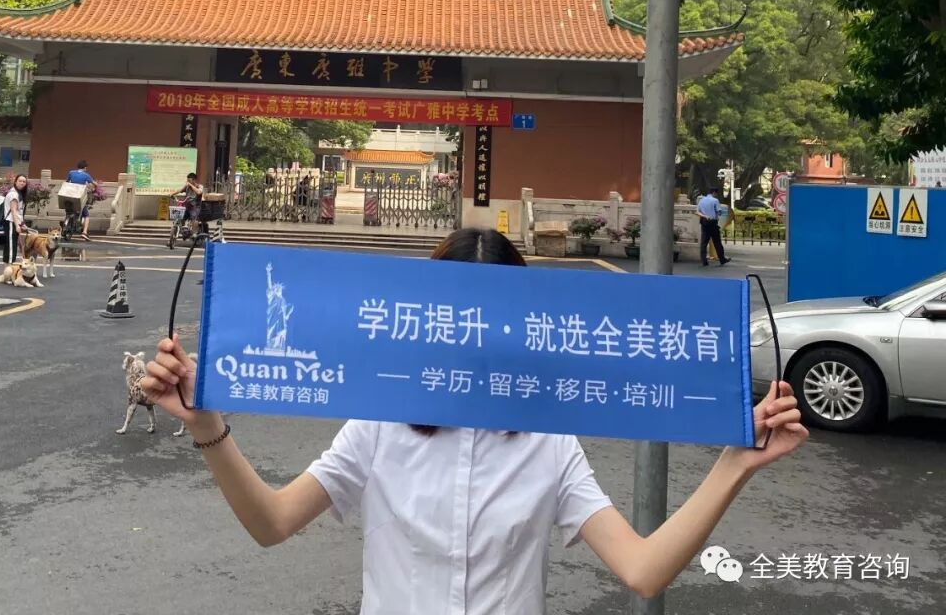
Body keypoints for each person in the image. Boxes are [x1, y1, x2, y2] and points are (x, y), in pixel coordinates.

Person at [141, 228, 807, 612]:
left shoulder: (548, 441)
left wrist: (734, 465)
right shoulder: (381, 423)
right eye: (458, 318)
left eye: (495, 320)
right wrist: (206, 425)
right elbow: (272, 522)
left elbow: (642, 569)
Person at [697, 186, 730, 266]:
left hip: (704, 222)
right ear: (714, 193)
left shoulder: (701, 200)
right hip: (713, 222)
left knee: (704, 242)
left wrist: (705, 216)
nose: (716, 195)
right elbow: (719, 212)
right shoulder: (715, 200)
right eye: (716, 194)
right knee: (717, 242)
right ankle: (722, 259)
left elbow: (697, 212)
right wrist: (718, 214)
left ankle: (704, 261)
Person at [66, 159, 96, 240]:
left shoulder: (71, 173)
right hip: (79, 198)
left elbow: (67, 182)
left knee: (68, 210)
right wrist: (96, 187)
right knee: (86, 215)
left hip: (69, 196)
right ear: (85, 168)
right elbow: (93, 183)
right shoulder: (86, 175)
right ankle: (84, 232)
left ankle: (67, 222)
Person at [2, 174, 28, 264]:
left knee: (11, 245)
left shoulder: (19, 193)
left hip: (15, 222)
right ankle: (9, 267)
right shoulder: (13, 194)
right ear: (15, 182)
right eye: (20, 181)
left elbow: (19, 212)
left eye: (24, 181)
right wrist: (17, 225)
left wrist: (22, 224)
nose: (22, 183)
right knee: (11, 246)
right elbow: (13, 211)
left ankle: (8, 268)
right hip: (11, 222)